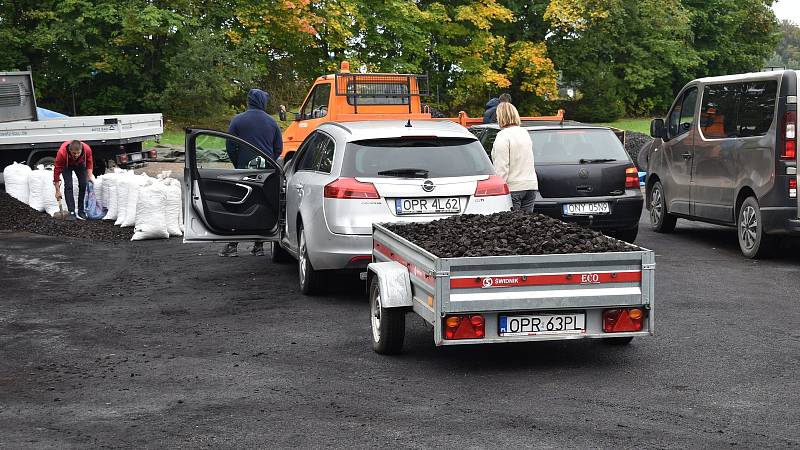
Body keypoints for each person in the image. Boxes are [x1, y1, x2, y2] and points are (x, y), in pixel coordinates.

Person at [219, 88, 283, 257]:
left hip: (243, 171)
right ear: (263, 102)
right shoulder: (272, 122)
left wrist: (238, 164)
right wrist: (268, 161)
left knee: (240, 206)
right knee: (261, 206)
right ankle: (259, 246)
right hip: (267, 173)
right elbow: (278, 148)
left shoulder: (238, 120)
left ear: (249, 101)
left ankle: (232, 246)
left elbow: (230, 146)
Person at [491, 102, 538, 212]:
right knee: (527, 225)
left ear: (500, 117)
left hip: (513, 188)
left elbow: (502, 167)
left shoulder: (503, 136)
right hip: (530, 186)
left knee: (512, 225)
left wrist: (498, 190)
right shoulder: (524, 133)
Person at [53, 140, 95, 221]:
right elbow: (56, 173)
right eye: (74, 153)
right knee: (69, 186)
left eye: (78, 153)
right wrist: (57, 191)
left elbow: (89, 163)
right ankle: (71, 212)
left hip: (80, 163)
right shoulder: (62, 153)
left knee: (84, 184)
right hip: (66, 164)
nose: (76, 155)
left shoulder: (87, 149)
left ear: (81, 149)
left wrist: (90, 177)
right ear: (69, 150)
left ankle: (81, 210)